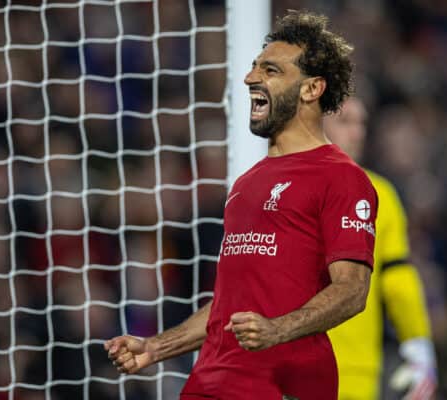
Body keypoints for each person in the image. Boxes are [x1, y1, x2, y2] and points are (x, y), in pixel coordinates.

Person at [105, 11, 378, 399]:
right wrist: (156, 347)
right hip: (211, 377)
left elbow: (353, 290)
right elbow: (228, 303)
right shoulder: (246, 184)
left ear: (311, 89)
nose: (251, 78)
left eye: (270, 70)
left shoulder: (342, 178)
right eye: (253, 68)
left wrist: (277, 330)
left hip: (284, 381)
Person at [324, 97, 437, 400]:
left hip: (358, 375)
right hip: (293, 370)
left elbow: (398, 281)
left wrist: (418, 344)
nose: (357, 132)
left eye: (362, 123)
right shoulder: (283, 189)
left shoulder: (382, 196)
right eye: (345, 121)